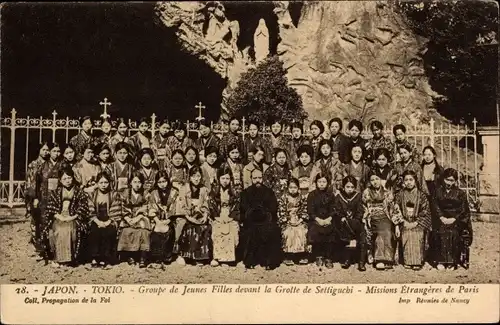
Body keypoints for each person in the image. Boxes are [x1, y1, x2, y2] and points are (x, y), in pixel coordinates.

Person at [42, 167, 89, 267]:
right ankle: (58, 258)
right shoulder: (55, 192)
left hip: (74, 218)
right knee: (58, 229)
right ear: (60, 180)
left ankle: (68, 259)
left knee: (68, 229)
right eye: (64, 179)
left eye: (69, 178)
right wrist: (60, 217)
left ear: (73, 178)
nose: (67, 181)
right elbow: (51, 208)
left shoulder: (79, 192)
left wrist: (72, 217)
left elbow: (83, 207)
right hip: (59, 217)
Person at [239, 169, 282, 270]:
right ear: (251, 179)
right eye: (255, 178)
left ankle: (268, 262)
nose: (257, 180)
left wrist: (265, 214)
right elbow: (244, 208)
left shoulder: (269, 192)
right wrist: (252, 214)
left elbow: (273, 208)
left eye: (259, 178)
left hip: (266, 220)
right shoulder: (245, 193)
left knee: (271, 230)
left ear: (262, 178)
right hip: (251, 221)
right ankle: (250, 261)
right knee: (249, 232)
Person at [433, 168, 473, 270]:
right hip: (441, 219)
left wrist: (454, 218)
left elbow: (464, 210)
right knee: (441, 231)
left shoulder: (460, 193)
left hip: (456, 220)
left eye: (451, 180)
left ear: (455, 181)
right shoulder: (437, 192)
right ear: (443, 179)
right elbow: (435, 206)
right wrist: (441, 217)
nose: (448, 182)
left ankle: (452, 262)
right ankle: (441, 261)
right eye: (447, 179)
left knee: (453, 232)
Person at [362, 172, 403, 270]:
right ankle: (379, 259)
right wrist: (365, 217)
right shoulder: (366, 192)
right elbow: (363, 207)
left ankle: (388, 259)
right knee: (381, 232)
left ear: (381, 180)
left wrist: (397, 225)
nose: (375, 182)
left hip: (385, 217)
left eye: (377, 179)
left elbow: (393, 208)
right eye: (372, 180)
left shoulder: (387, 192)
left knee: (388, 231)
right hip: (372, 217)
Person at [394, 170, 431, 271]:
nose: (409, 182)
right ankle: (407, 261)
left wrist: (416, 222)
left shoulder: (421, 195)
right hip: (404, 222)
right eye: (406, 180)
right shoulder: (399, 195)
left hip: (418, 222)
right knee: (406, 233)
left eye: (411, 179)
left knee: (416, 233)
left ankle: (417, 261)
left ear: (415, 181)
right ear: (403, 182)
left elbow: (425, 212)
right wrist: (401, 222)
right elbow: (396, 210)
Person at [176, 166, 212, 266]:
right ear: (190, 177)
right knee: (187, 227)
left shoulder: (204, 189)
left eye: (198, 176)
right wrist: (189, 216)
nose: (197, 179)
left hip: (199, 215)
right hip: (185, 216)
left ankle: (199, 256)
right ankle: (183, 255)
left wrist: (205, 214)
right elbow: (181, 205)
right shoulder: (184, 189)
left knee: (205, 227)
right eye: (194, 176)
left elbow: (206, 204)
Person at [87, 172, 121, 268]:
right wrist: (97, 221)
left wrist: (107, 222)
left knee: (108, 232)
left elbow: (116, 210)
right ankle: (94, 257)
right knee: (94, 231)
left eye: (106, 182)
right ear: (97, 183)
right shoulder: (92, 194)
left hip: (109, 219)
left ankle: (104, 258)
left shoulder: (114, 194)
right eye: (101, 182)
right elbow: (90, 210)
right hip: (95, 220)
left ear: (109, 183)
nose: (103, 185)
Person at [208, 165, 240, 266]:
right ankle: (217, 257)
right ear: (218, 179)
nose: (225, 181)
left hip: (231, 216)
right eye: (222, 178)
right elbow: (211, 206)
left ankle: (228, 258)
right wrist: (217, 217)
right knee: (217, 229)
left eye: (227, 178)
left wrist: (231, 217)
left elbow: (237, 207)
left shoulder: (236, 192)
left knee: (232, 229)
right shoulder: (214, 191)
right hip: (218, 215)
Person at [117, 172, 151, 268]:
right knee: (127, 230)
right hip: (128, 217)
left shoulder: (146, 193)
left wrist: (139, 216)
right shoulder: (125, 193)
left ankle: (142, 257)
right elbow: (122, 207)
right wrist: (128, 218)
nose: (137, 184)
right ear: (130, 183)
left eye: (139, 182)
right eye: (134, 182)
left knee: (144, 231)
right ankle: (130, 255)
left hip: (141, 217)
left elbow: (147, 207)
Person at [334, 176, 367, 271]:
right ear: (343, 187)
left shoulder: (357, 196)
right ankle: (347, 259)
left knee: (362, 235)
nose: (350, 189)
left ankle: (361, 261)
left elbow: (360, 211)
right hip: (343, 223)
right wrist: (342, 217)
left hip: (356, 223)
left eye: (352, 187)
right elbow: (337, 210)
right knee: (346, 234)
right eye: (347, 187)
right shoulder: (339, 197)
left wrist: (356, 220)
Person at [147, 171, 179, 268]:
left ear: (168, 181)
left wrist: (168, 220)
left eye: (164, 181)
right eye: (160, 182)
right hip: (157, 219)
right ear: (156, 183)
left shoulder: (174, 192)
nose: (162, 184)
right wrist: (158, 221)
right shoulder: (153, 193)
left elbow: (176, 208)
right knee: (156, 232)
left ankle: (167, 256)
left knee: (170, 231)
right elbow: (151, 207)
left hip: (171, 219)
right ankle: (156, 257)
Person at [307, 173, 337, 268]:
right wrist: (318, 219)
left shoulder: (331, 195)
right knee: (315, 230)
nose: (322, 184)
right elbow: (310, 210)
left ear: (328, 183)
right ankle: (318, 255)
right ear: (316, 183)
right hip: (316, 219)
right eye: (319, 182)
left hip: (328, 219)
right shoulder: (312, 195)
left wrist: (329, 218)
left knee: (332, 230)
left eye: (324, 182)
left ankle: (328, 257)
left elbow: (334, 209)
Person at [25, 142, 50, 256]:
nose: (46, 152)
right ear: (39, 150)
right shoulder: (34, 164)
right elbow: (31, 183)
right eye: (44, 149)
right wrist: (34, 198)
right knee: (36, 220)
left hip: (47, 196)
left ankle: (46, 245)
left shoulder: (49, 164)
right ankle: (37, 245)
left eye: (47, 150)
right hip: (36, 196)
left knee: (45, 220)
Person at [278, 178, 309, 265]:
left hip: (299, 219)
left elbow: (305, 209)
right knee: (289, 232)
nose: (293, 189)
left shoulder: (302, 197)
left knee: (301, 231)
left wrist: (300, 219)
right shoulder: (283, 198)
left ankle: (301, 255)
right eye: (291, 187)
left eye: (295, 187)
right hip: (288, 220)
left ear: (298, 188)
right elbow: (281, 211)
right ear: (287, 188)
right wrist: (288, 219)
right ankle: (288, 255)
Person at [35, 143, 63, 234]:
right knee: (44, 219)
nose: (56, 153)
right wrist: (36, 197)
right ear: (50, 152)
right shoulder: (43, 166)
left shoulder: (63, 165)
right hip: (45, 197)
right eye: (54, 151)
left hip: (59, 197)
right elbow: (37, 183)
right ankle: (43, 243)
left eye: (58, 151)